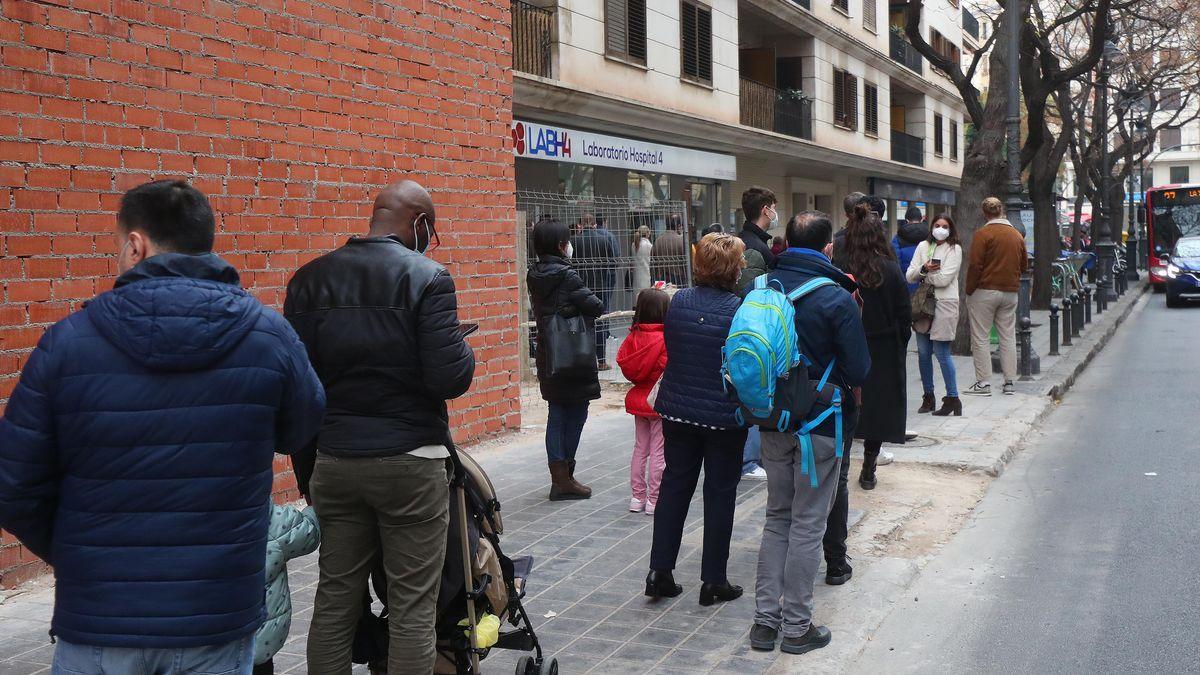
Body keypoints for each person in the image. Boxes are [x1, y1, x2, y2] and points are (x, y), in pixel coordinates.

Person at [0, 180, 325, 674]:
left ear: (136, 244)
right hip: (215, 613)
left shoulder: (66, 344)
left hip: (101, 616)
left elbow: (14, 485)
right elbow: (300, 430)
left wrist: (79, 553)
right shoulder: (269, 336)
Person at [285, 179, 476, 674]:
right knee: (413, 606)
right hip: (409, 461)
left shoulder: (308, 282)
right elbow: (449, 378)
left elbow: (301, 389)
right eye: (428, 232)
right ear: (419, 224)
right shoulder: (429, 279)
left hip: (334, 461)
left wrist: (307, 472)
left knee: (335, 600)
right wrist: (459, 344)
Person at [750, 211, 870, 655]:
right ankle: (798, 628)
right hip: (820, 426)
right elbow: (859, 369)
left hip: (772, 422)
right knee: (807, 524)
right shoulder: (836, 297)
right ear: (828, 249)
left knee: (777, 517)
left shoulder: (762, 287)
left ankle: (765, 624)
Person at [646, 233, 750, 607]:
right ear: (732, 268)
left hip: (678, 409)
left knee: (674, 487)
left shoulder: (679, 302)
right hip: (723, 415)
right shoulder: (740, 309)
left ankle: (660, 571)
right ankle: (713, 580)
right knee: (720, 494)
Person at [527, 218, 605, 500]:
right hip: (574, 355)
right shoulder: (568, 275)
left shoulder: (533, 274)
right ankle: (565, 478)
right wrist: (573, 308)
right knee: (576, 414)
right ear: (561, 246)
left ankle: (559, 478)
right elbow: (596, 306)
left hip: (549, 355)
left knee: (556, 414)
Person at [840, 203, 912, 491]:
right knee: (879, 408)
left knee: (846, 403)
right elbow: (903, 313)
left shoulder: (842, 267)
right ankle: (869, 465)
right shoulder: (891, 269)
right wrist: (899, 342)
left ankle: (843, 462)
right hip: (883, 346)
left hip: (847, 342)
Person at [964, 197, 1027, 397]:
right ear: (1002, 211)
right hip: (1010, 292)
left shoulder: (983, 234)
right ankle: (1009, 382)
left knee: (981, 337)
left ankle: (983, 383)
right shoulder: (1017, 235)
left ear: (985, 213)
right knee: (1007, 336)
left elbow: (975, 265)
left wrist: (969, 289)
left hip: (984, 290)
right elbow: (1024, 264)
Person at [617, 287, 671, 515]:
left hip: (639, 398)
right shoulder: (666, 339)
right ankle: (654, 499)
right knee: (659, 451)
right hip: (658, 401)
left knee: (640, 448)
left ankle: (637, 497)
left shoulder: (632, 338)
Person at [254, 503, 322, 674]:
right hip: (254, 644)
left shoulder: (179, 518)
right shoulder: (266, 517)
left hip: (191, 643)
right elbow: (308, 534)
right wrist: (314, 508)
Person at [907, 214, 964, 417]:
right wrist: (924, 268)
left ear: (951, 229)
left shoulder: (954, 248)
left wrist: (924, 274)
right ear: (931, 227)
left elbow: (945, 279)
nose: (940, 229)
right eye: (937, 225)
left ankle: (952, 398)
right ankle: (928, 396)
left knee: (941, 353)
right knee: (923, 352)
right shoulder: (923, 246)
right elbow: (910, 274)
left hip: (945, 304)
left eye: (945, 226)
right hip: (924, 305)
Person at [572, 213, 619, 369]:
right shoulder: (604, 240)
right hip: (600, 286)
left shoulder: (574, 241)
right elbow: (612, 263)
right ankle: (601, 360)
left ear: (581, 224)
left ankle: (583, 359)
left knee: (581, 322)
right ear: (594, 224)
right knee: (599, 322)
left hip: (580, 286)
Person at [740, 186, 780, 269]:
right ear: (766, 210)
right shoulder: (756, 248)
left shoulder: (742, 239)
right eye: (773, 208)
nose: (775, 213)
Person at [894, 206, 929, 293]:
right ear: (921, 220)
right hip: (926, 284)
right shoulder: (930, 236)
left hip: (905, 284)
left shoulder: (898, 238)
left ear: (907, 221)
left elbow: (894, 261)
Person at [652, 214, 687, 285]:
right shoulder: (681, 240)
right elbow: (686, 262)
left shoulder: (658, 240)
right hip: (678, 279)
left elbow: (652, 261)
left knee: (661, 296)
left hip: (660, 278)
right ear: (679, 226)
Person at [633, 224, 653, 290]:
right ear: (647, 233)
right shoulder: (649, 245)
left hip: (636, 275)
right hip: (646, 274)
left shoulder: (634, 244)